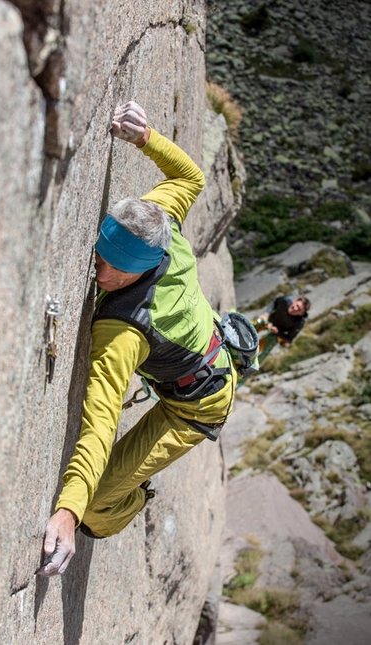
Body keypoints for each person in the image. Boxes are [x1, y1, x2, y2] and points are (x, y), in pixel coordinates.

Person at [37, 101, 241, 577]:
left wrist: (68, 512)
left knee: (95, 513)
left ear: (145, 266)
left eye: (113, 267)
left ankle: (129, 502)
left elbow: (99, 425)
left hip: (199, 407)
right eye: (99, 254)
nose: (99, 270)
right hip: (202, 362)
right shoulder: (160, 224)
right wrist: (145, 137)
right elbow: (191, 178)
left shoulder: (124, 329)